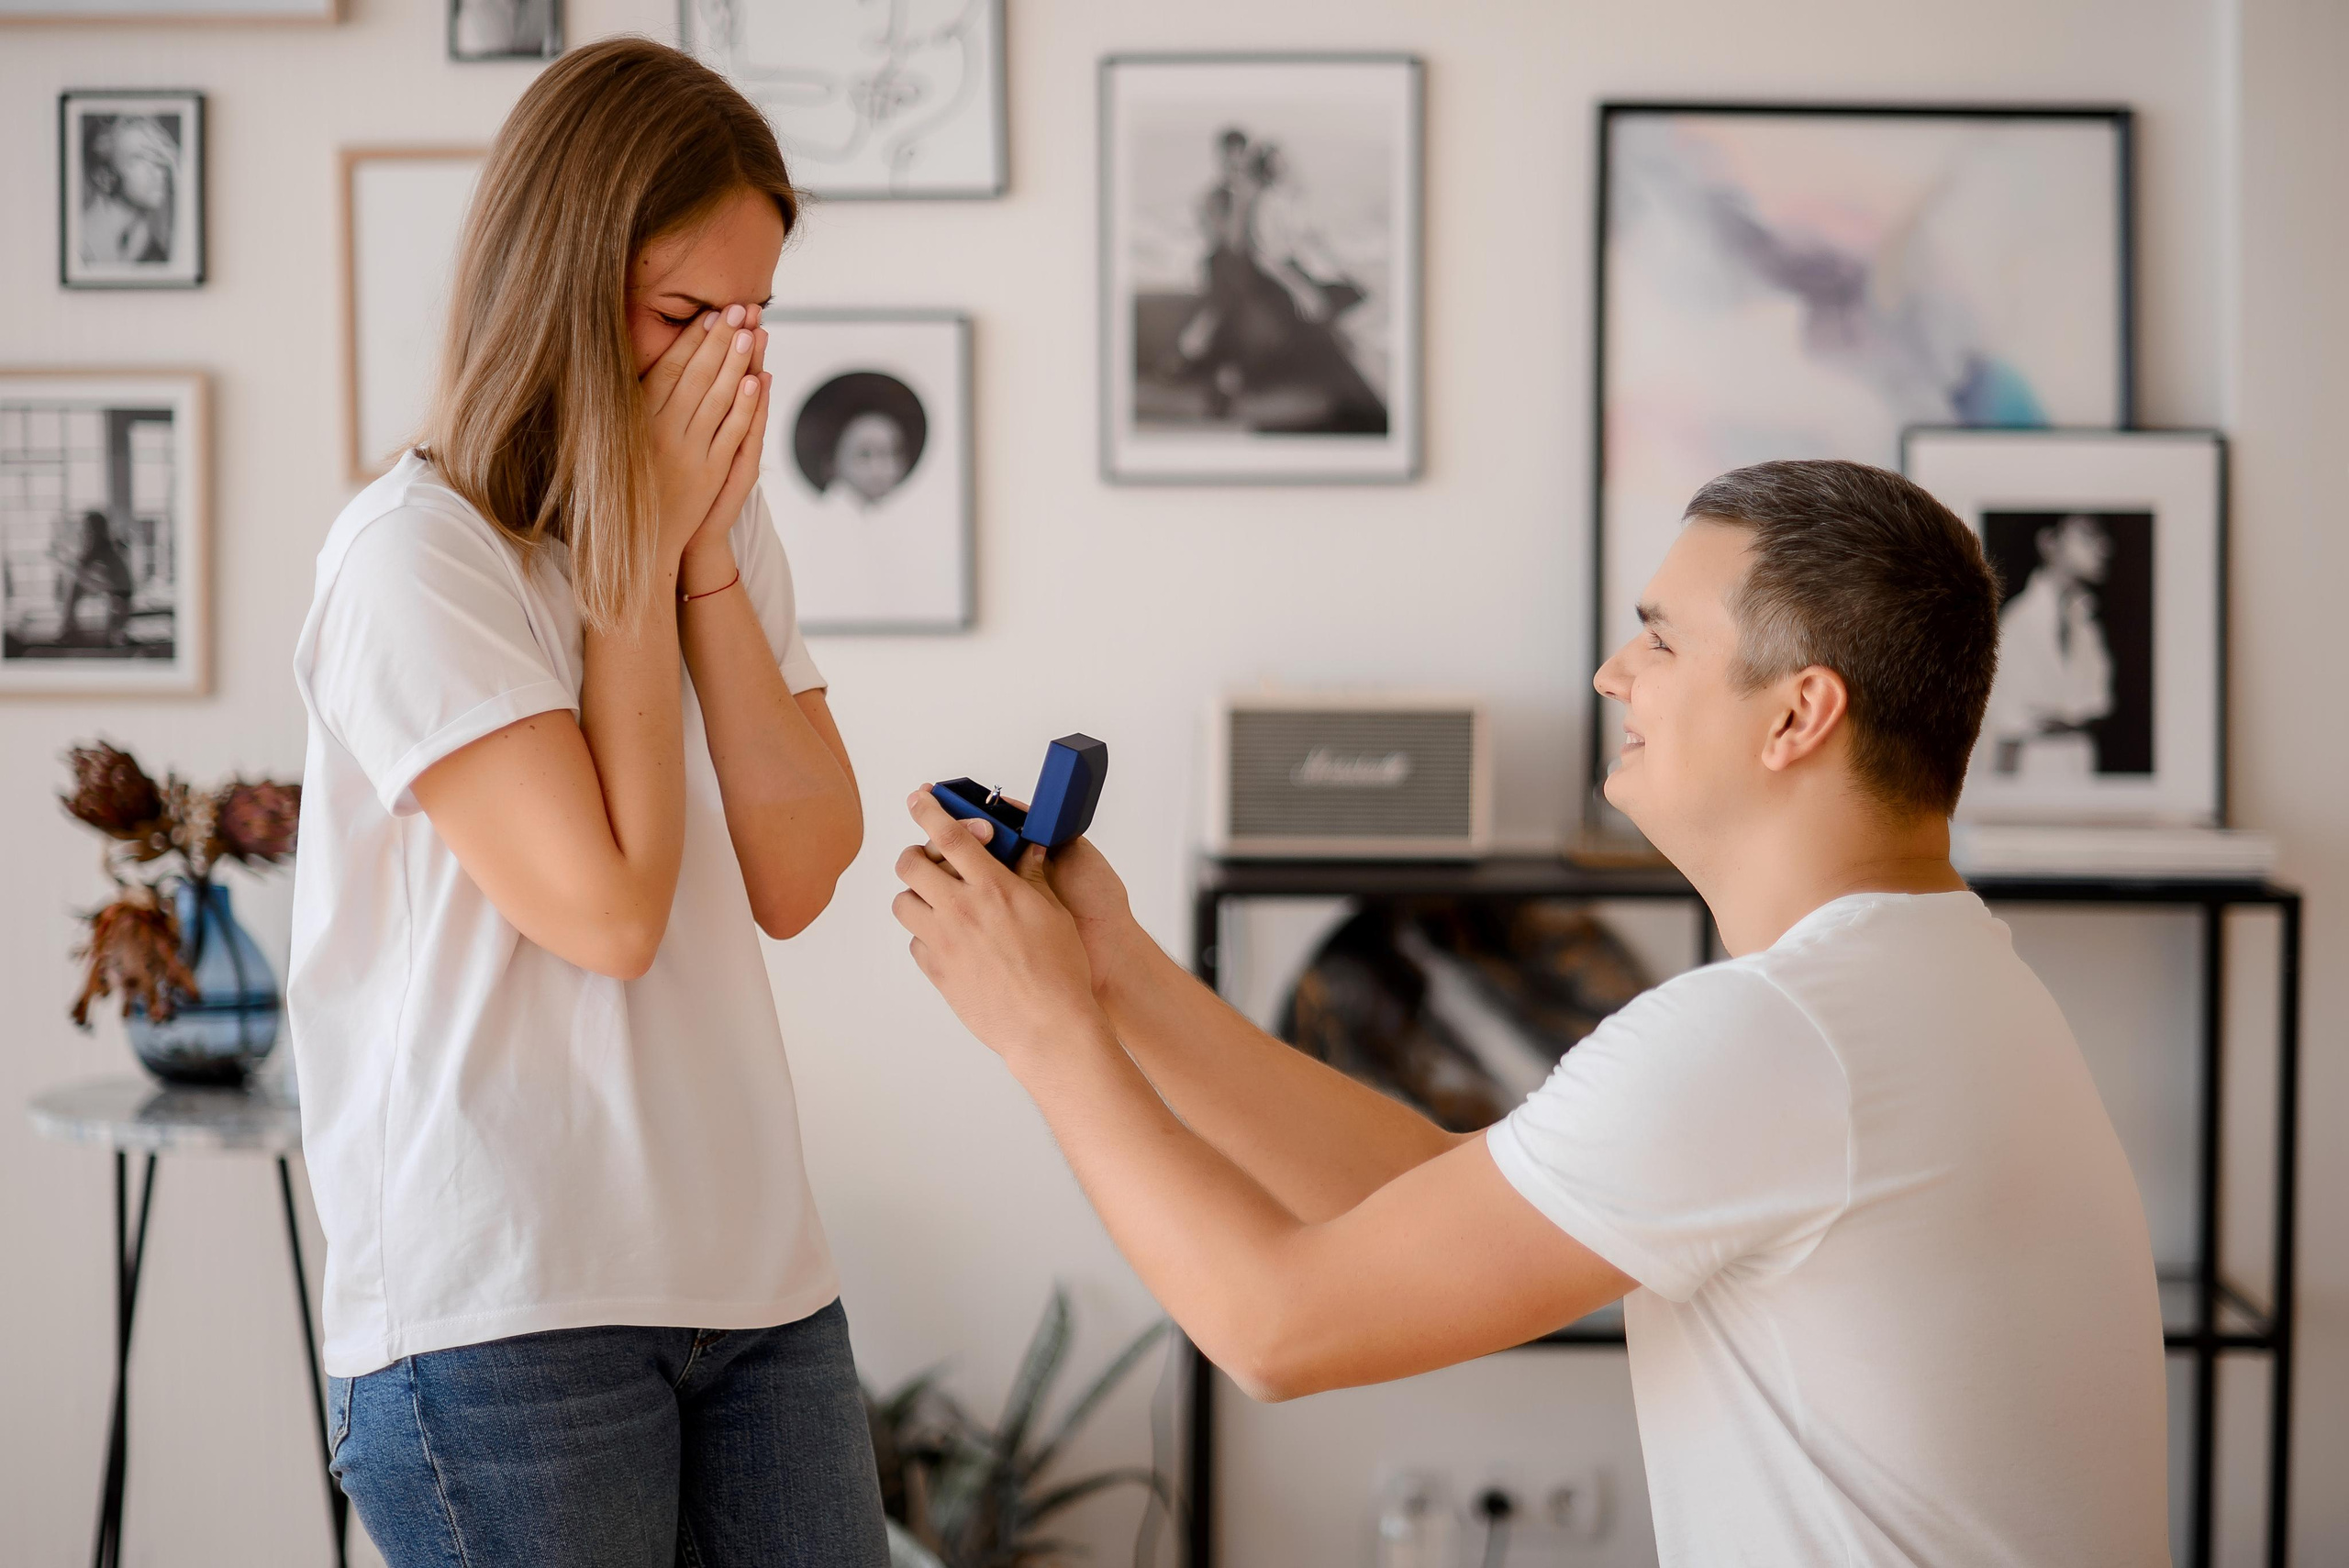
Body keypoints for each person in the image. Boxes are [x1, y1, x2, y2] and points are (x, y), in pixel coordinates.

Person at [891, 460, 2169, 1565]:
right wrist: (1114, 975)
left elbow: (1276, 1326)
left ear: (1797, 713)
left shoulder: (1774, 1038)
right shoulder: (1947, 984)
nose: (1614, 673)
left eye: (1659, 640)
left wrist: (1043, 1033)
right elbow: (1430, 1191)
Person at [288, 39, 885, 1567]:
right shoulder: (415, 557)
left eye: (752, 320)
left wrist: (699, 556)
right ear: (565, 275)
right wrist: (643, 547)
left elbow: (804, 861)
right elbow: (613, 912)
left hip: (753, 1279)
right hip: (503, 1309)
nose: (724, 366)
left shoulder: (714, 523)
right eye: (687, 316)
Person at [1984, 512, 2117, 778]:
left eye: (2102, 536)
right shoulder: (2015, 623)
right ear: (2049, 542)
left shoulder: (2087, 621)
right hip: (2031, 773)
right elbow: (2002, 728)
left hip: (2080, 768)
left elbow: (2096, 704)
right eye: (2087, 534)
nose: (2104, 547)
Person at [80, 115, 179, 266]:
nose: (158, 170)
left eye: (158, 156)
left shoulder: (150, 246)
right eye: (139, 158)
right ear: (104, 177)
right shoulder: (78, 246)